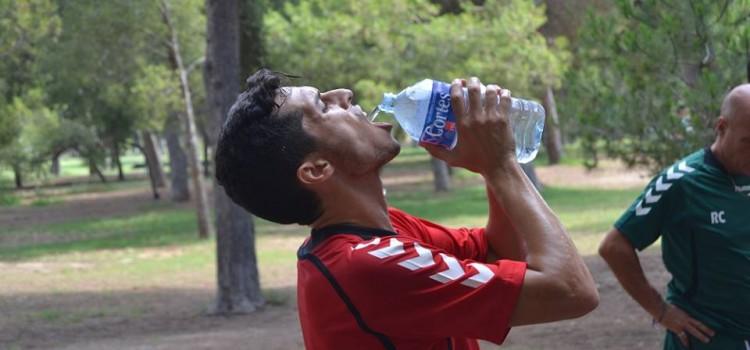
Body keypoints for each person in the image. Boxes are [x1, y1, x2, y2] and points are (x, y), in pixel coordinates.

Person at [215, 69, 598, 349]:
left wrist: (488, 166)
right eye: (323, 106)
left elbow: (500, 252)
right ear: (317, 170)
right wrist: (501, 165)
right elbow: (572, 292)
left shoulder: (382, 233)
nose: (344, 93)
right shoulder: (367, 265)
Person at [599, 84, 750, 350]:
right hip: (709, 340)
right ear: (722, 127)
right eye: (748, 142)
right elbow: (614, 246)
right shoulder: (681, 182)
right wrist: (661, 311)